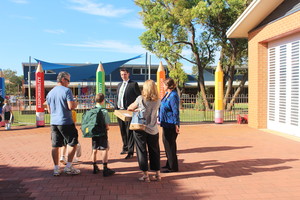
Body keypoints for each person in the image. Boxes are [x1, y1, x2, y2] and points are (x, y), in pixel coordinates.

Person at [46, 71, 80, 176]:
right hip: (65, 121)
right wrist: (75, 103)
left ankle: (56, 168)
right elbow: (71, 106)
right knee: (73, 143)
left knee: (55, 145)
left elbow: (49, 110)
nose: (69, 83)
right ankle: (68, 167)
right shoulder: (67, 91)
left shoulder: (50, 93)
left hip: (53, 122)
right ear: (63, 79)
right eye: (68, 81)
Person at [128, 80, 161, 182]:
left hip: (141, 128)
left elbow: (129, 108)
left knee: (142, 151)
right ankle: (157, 174)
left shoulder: (140, 99)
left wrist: (138, 110)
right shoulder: (158, 100)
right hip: (153, 128)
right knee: (155, 151)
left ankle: (145, 175)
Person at [116, 68, 141, 159]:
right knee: (122, 131)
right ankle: (125, 147)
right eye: (122, 74)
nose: (123, 76)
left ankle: (130, 151)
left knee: (129, 131)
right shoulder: (119, 85)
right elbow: (118, 97)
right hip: (120, 111)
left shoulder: (133, 84)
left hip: (129, 112)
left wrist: (135, 107)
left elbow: (139, 97)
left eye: (125, 74)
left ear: (128, 74)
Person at [158, 78, 180, 173]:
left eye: (164, 84)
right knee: (166, 144)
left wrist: (176, 124)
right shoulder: (168, 94)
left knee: (170, 145)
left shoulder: (173, 95)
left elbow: (175, 111)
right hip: (166, 123)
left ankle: (173, 167)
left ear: (168, 85)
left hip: (171, 123)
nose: (163, 86)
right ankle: (169, 163)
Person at [91, 93, 115, 177]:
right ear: (103, 100)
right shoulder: (104, 111)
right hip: (102, 132)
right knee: (104, 149)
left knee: (94, 149)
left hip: (94, 132)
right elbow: (107, 125)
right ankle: (105, 168)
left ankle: (94, 166)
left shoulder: (91, 110)